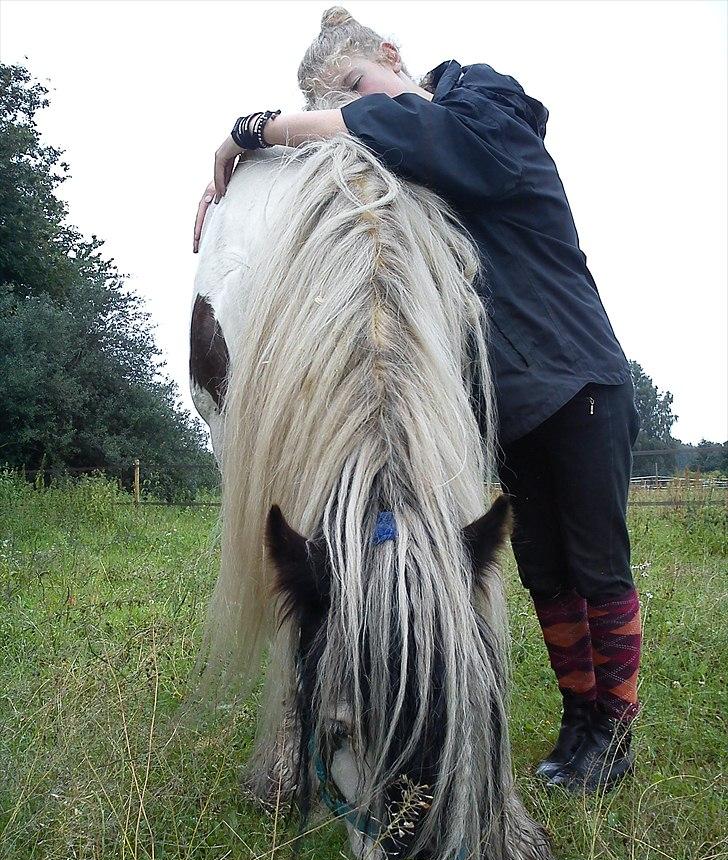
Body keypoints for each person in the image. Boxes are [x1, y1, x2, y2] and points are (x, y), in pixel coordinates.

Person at [192, 6, 642, 793]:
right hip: (510, 400)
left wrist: (254, 130)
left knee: (597, 565)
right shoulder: (416, 157)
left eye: (358, 92)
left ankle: (616, 729)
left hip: (578, 381)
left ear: (394, 57)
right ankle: (579, 721)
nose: (361, 117)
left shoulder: (486, 105)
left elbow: (437, 141)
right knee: (541, 566)